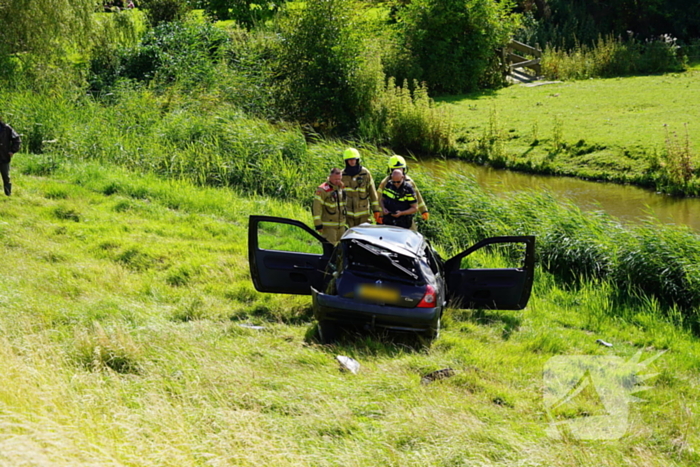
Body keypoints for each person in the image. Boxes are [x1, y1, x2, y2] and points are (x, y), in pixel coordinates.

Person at [377, 155, 428, 230]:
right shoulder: (385, 182)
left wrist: (423, 211)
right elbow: (378, 198)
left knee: (411, 235)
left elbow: (418, 198)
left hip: (405, 217)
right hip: (388, 217)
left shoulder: (409, 183)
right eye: (395, 169)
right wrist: (380, 213)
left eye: (400, 169)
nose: (398, 171)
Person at [341, 148, 381, 227]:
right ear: (346, 161)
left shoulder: (365, 173)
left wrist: (376, 210)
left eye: (354, 159)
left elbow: (372, 193)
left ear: (357, 160)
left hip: (363, 213)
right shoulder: (342, 175)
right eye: (349, 160)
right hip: (348, 214)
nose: (352, 161)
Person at [312, 168, 347, 244]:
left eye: (339, 179)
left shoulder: (341, 188)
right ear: (330, 177)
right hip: (328, 226)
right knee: (330, 248)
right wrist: (318, 224)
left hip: (341, 225)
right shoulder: (322, 190)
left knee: (341, 249)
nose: (337, 181)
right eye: (335, 179)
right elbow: (316, 207)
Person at [0, 118, 21, 197]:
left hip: (3, 156)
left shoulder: (6, 128)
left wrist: (13, 150)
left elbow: (17, 139)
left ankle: (8, 194)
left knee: (6, 177)